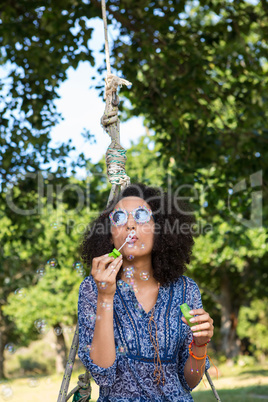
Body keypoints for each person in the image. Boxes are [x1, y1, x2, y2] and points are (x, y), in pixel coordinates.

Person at [78, 183, 214, 401]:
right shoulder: (92, 288)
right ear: (110, 234)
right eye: (119, 218)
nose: (130, 224)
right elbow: (103, 375)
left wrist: (200, 344)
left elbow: (190, 381)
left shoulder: (186, 290)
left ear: (159, 229)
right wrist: (105, 296)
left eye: (141, 216)